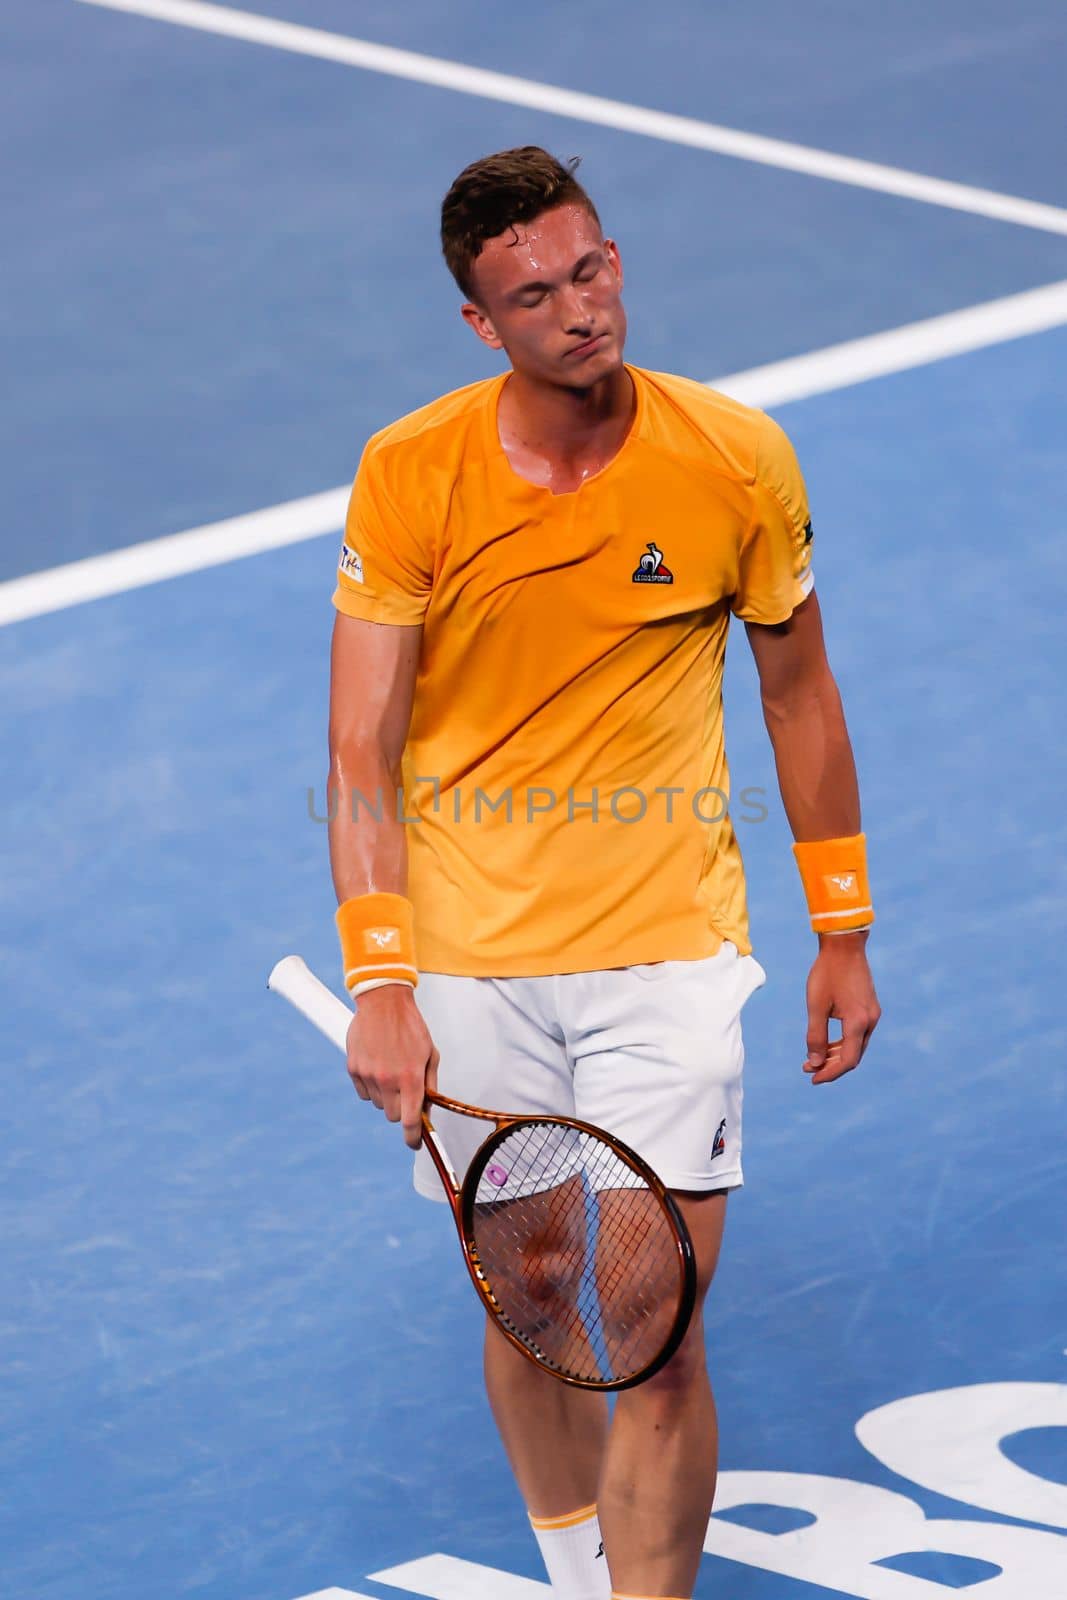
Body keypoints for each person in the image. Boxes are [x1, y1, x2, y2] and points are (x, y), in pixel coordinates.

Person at [326, 146, 881, 1600]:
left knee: (657, 1326)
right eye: (536, 293)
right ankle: (580, 1576)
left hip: (666, 950)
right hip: (469, 957)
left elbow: (802, 697)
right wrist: (382, 981)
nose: (581, 309)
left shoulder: (733, 458)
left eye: (593, 269)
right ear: (479, 322)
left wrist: (844, 927)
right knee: (536, 1301)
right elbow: (359, 747)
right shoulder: (411, 474)